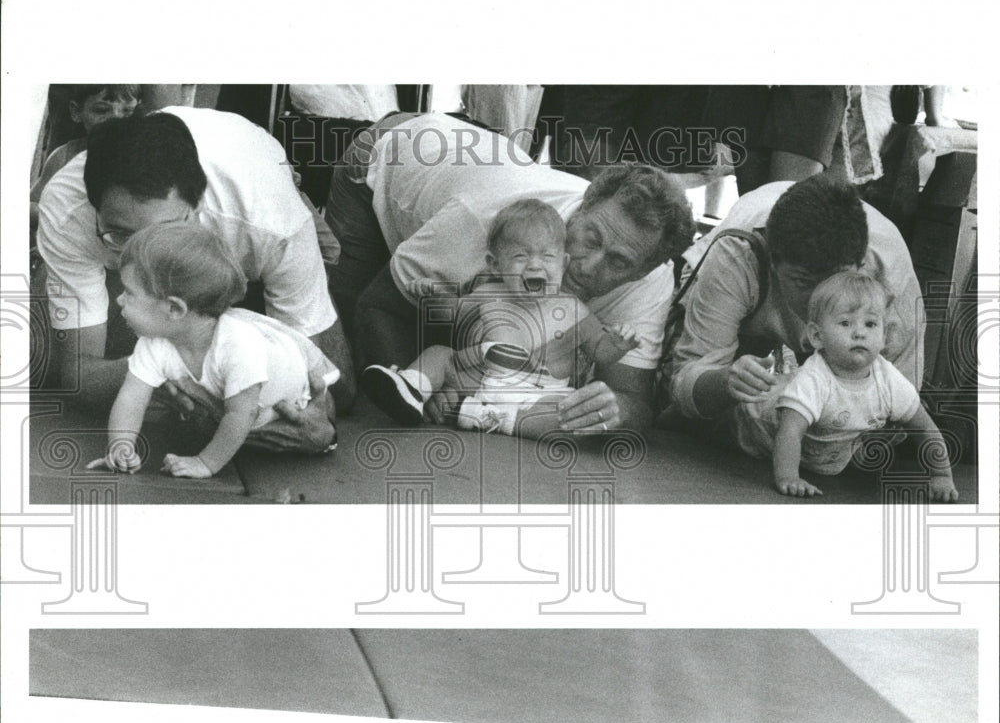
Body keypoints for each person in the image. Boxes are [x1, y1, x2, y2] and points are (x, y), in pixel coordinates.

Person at [325, 112, 695, 435]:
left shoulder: (652, 279)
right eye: (590, 238)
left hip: (472, 166)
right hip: (387, 152)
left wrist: (617, 411)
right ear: (582, 207)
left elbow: (633, 399)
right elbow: (377, 305)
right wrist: (422, 392)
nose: (587, 266)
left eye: (618, 262)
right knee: (346, 370)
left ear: (644, 270)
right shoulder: (488, 219)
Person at [36, 106, 355, 448]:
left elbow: (321, 401)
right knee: (40, 359)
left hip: (261, 176)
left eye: (167, 231)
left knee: (344, 389)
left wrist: (314, 427)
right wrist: (160, 367)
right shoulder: (66, 211)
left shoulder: (270, 223)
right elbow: (79, 375)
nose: (149, 261)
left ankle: (282, 296)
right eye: (120, 235)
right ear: (94, 208)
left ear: (198, 207)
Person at [668, 174, 924, 452]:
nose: (818, 299)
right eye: (803, 281)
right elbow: (684, 386)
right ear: (773, 262)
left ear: (860, 265)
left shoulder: (889, 276)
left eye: (834, 278)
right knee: (682, 420)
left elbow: (900, 414)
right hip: (750, 291)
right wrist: (724, 381)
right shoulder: (737, 256)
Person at [361, 199, 638, 434]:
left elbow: (600, 351)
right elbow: (453, 314)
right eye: (520, 256)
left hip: (537, 394)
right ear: (496, 265)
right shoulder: (489, 293)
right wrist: (433, 296)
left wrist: (617, 344)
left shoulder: (575, 310)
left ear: (563, 263)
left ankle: (490, 418)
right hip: (483, 380)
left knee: (570, 414)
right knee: (439, 355)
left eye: (547, 256)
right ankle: (412, 387)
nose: (535, 264)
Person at [87, 224, 339, 478]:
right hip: (238, 408)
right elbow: (131, 398)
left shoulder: (238, 344)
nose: (119, 299)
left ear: (174, 309)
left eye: (129, 293)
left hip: (293, 395)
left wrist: (205, 463)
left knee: (256, 412)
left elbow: (243, 413)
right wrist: (121, 447)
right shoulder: (155, 342)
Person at [771, 271, 957, 501]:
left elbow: (924, 428)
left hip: (824, 459)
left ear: (884, 336)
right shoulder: (815, 378)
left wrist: (941, 474)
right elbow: (790, 431)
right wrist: (788, 476)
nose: (859, 333)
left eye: (870, 324)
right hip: (761, 433)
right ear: (817, 336)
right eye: (845, 323)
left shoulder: (887, 379)